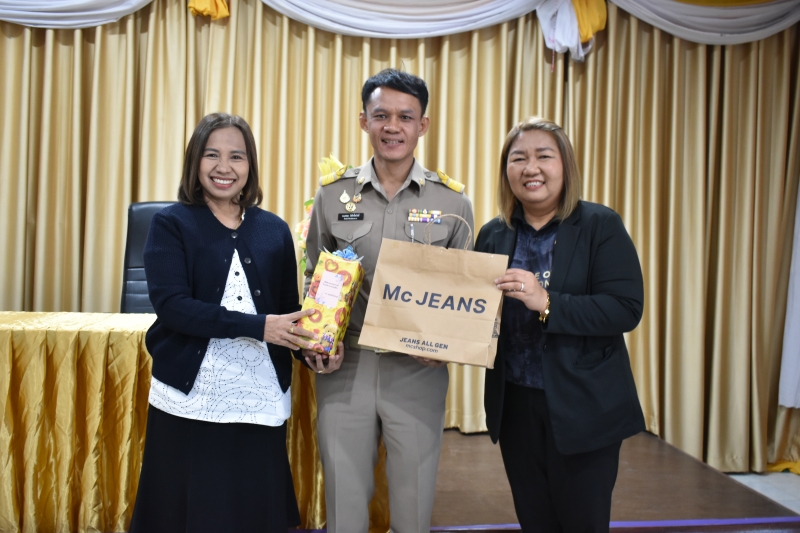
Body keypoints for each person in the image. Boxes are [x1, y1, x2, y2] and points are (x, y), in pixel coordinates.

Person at [129, 113, 341, 533]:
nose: (223, 167)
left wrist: (314, 352)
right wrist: (258, 326)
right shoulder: (171, 223)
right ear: (195, 161)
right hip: (190, 395)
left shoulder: (273, 230)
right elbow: (172, 306)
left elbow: (286, 312)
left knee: (251, 513)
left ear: (250, 165)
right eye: (212, 155)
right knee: (186, 514)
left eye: (236, 157)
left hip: (259, 396)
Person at [301, 69, 475, 533]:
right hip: (347, 366)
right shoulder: (332, 195)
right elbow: (314, 276)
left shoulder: (453, 204)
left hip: (417, 369)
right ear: (364, 121)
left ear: (423, 125)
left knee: (412, 509)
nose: (392, 126)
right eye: (381, 115)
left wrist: (447, 346)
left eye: (405, 116)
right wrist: (316, 343)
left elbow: (465, 292)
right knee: (344, 509)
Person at [475, 117, 646, 532]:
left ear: (565, 165)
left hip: (585, 406)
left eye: (543, 156)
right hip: (515, 405)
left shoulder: (600, 225)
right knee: (535, 521)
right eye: (518, 158)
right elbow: (476, 313)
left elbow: (625, 308)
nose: (530, 168)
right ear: (506, 170)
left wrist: (547, 302)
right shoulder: (492, 234)